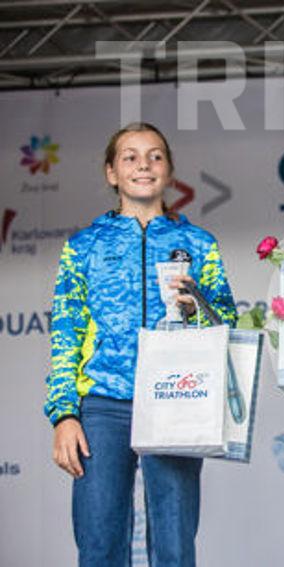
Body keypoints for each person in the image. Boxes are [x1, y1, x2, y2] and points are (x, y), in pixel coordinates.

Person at [46, 122, 237, 566]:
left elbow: (225, 320)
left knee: (175, 545)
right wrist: (64, 414)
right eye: (129, 157)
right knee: (99, 544)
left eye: (155, 156)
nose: (143, 165)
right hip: (103, 404)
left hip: (176, 397)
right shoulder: (84, 246)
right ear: (111, 173)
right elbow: (66, 331)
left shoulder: (198, 244)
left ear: (169, 171)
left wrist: (197, 307)